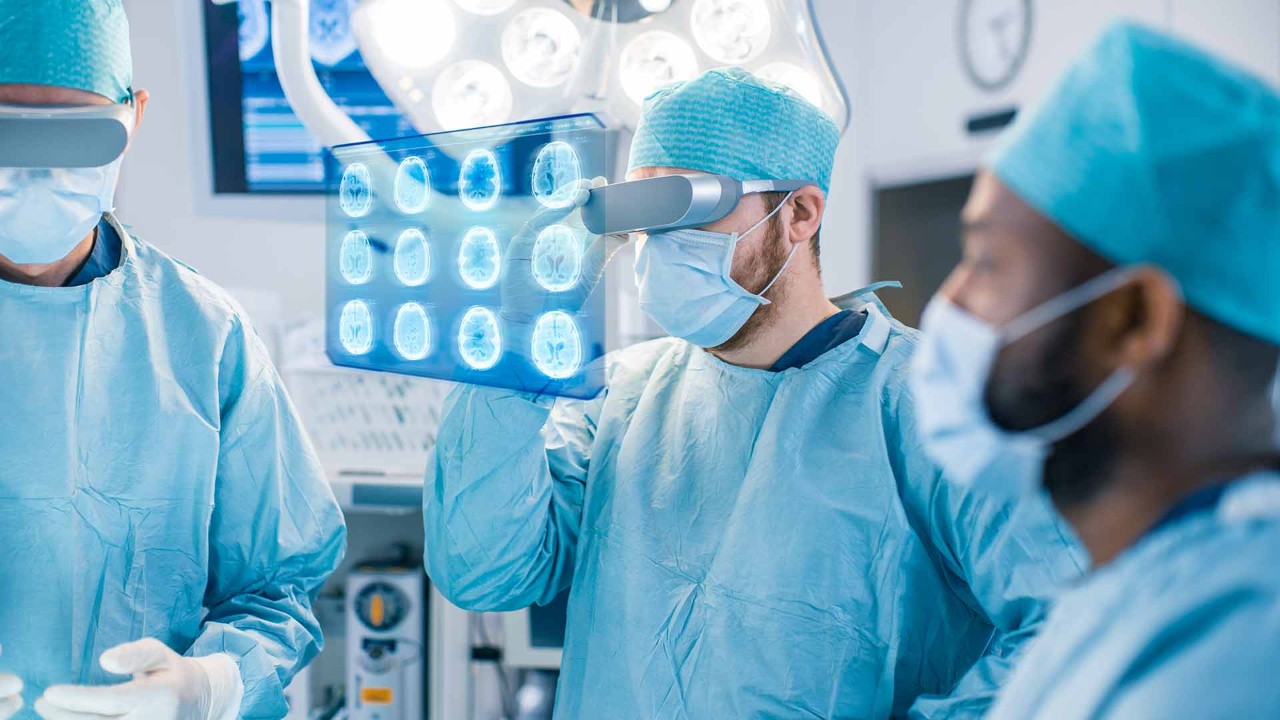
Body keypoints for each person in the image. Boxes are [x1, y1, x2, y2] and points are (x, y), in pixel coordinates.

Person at [424, 67, 1084, 719]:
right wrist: (514, 343)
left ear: (798, 213)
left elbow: (1068, 633)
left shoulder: (927, 406)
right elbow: (483, 571)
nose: (660, 244)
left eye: (687, 208)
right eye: (644, 214)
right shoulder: (620, 398)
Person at [910, 22, 1280, 719]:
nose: (949, 304)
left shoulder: (1237, 657)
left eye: (987, 264)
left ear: (1133, 320)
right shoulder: (1143, 592)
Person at [0, 2, 347, 719]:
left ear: (134, 119)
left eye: (77, 133)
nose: (35, 169)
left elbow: (275, 587)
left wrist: (211, 685)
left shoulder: (205, 336)